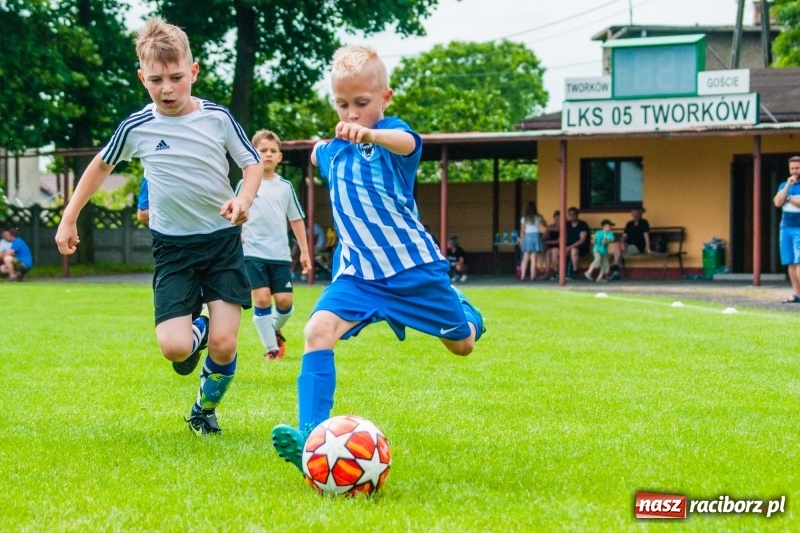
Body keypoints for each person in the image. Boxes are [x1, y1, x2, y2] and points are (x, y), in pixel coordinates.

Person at [270, 44, 485, 474]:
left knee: (461, 345)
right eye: (342, 104)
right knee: (317, 330)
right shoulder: (333, 152)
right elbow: (317, 151)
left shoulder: (390, 139)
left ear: (385, 99)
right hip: (358, 278)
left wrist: (370, 133)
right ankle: (312, 443)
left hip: (413, 272)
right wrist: (316, 146)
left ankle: (466, 311)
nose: (352, 114)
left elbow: (408, 143)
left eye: (362, 104)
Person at [54, 17, 263, 436]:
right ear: (141, 78)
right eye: (156, 80)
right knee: (175, 347)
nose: (167, 88)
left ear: (194, 72)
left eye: (176, 77)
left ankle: (204, 410)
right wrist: (69, 216)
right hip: (173, 249)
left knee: (226, 343)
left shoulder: (217, 119)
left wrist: (243, 199)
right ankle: (195, 329)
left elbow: (251, 162)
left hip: (221, 243)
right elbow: (100, 166)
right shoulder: (137, 127)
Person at [236, 130, 312, 360]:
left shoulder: (285, 187)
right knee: (261, 299)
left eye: (273, 151)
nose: (268, 155)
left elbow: (296, 220)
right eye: (263, 150)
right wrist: (235, 234)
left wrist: (305, 252)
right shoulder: (244, 184)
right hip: (252, 252)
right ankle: (272, 349)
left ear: (279, 157)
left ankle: (274, 330)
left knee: (285, 302)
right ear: (253, 154)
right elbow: (234, 212)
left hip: (280, 254)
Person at [774, 155, 800, 303]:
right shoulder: (784, 185)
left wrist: (788, 199)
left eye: (797, 168)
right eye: (792, 168)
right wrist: (787, 187)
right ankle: (796, 295)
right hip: (786, 228)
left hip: (799, 228)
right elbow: (778, 202)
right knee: (790, 261)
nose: (795, 171)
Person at [610, 207, 651, 280]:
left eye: (636, 213)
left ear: (640, 214)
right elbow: (624, 236)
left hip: (638, 246)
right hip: (627, 245)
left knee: (618, 253)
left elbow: (646, 235)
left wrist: (648, 248)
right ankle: (616, 267)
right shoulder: (629, 224)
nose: (635, 215)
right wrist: (622, 243)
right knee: (617, 245)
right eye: (633, 213)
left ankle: (616, 271)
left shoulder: (644, 223)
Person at [519, 201, 546, 281]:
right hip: (536, 236)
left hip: (527, 236)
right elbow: (545, 224)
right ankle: (532, 276)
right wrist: (543, 219)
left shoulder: (524, 218)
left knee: (525, 258)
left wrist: (521, 241)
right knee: (534, 257)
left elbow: (522, 231)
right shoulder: (538, 217)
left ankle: (522, 276)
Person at [565, 206, 590, 278]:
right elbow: (563, 236)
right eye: (570, 214)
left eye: (574, 214)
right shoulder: (567, 224)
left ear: (577, 215)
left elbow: (582, 240)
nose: (572, 216)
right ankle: (558, 272)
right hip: (568, 246)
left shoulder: (582, 224)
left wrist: (569, 247)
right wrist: (565, 247)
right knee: (556, 251)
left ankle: (575, 272)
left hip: (581, 247)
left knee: (574, 250)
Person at [543, 210, 560, 279]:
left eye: (559, 218)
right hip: (551, 247)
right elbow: (544, 238)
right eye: (556, 218)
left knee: (554, 250)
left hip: (561, 246)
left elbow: (560, 240)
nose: (557, 220)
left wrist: (548, 242)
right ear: (554, 218)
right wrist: (547, 232)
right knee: (547, 252)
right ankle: (547, 273)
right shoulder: (550, 227)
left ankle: (556, 272)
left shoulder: (564, 227)